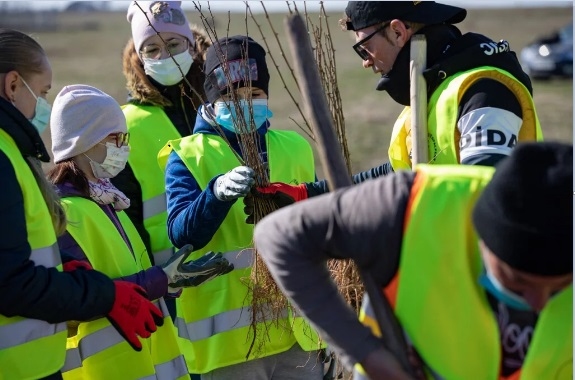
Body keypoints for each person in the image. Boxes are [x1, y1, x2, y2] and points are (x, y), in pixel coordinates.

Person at [253, 141, 572, 379]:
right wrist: (366, 352)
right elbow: (279, 237)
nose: (539, 303)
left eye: (559, 287)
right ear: (482, 238)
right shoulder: (409, 207)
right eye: (518, 281)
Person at [248, 1, 543, 205]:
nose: (365, 62)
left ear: (399, 31)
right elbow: (394, 176)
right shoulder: (430, 96)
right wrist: (307, 195)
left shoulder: (483, 90)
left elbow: (486, 192)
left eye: (365, 48)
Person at [0, 28, 164, 380]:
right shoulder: (6, 160)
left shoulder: (15, 154)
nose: (41, 105)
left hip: (36, 364)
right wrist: (107, 293)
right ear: (13, 85)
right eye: (41, 92)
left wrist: (68, 276)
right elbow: (11, 282)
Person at [158, 35, 325, 379]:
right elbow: (180, 233)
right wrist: (215, 194)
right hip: (230, 344)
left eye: (255, 95)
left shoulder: (295, 147)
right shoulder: (188, 154)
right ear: (212, 100)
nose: (246, 105)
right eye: (232, 97)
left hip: (299, 336)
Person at [47, 84, 234, 380]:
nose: (124, 146)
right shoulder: (67, 214)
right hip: (105, 369)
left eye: (125, 137)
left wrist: (167, 281)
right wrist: (159, 279)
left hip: (141, 363)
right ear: (84, 141)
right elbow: (77, 297)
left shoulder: (108, 202)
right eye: (114, 137)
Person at [112, 1, 210, 267]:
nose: (163, 56)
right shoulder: (127, 125)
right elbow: (126, 214)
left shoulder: (221, 106)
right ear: (140, 58)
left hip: (236, 268)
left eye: (173, 44)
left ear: (190, 45)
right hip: (169, 278)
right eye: (151, 49)